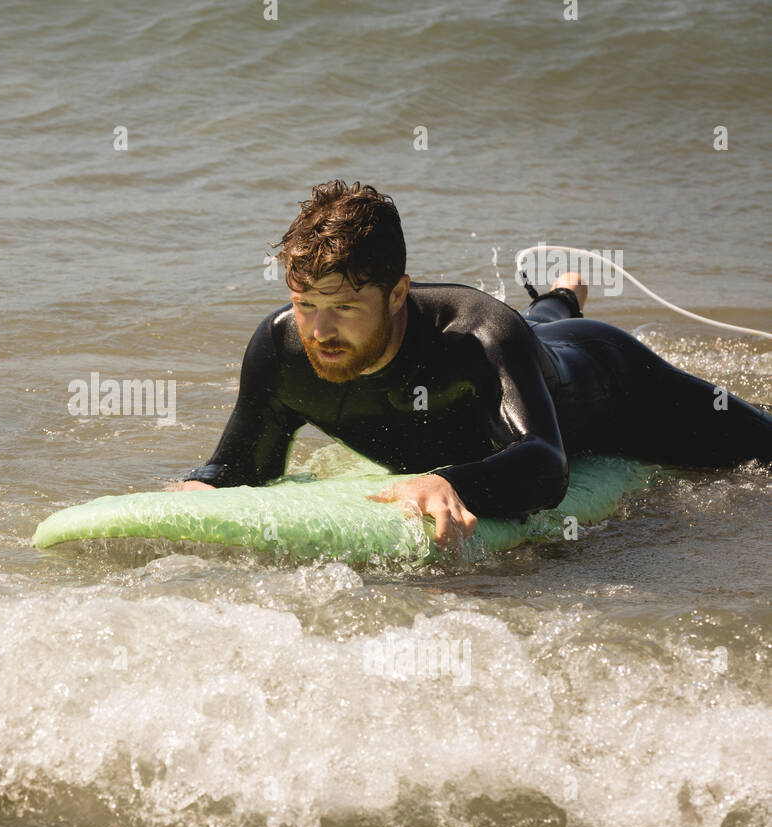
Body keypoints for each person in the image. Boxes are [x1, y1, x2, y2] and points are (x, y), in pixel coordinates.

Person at [172, 180, 772, 550]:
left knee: (762, 442)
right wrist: (203, 485)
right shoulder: (282, 350)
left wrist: (452, 480)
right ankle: (557, 295)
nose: (319, 331)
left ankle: (561, 304)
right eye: (305, 304)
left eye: (345, 307)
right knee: (536, 326)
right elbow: (240, 464)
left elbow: (546, 463)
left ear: (399, 292)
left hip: (610, 380)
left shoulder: (476, 334)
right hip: (530, 342)